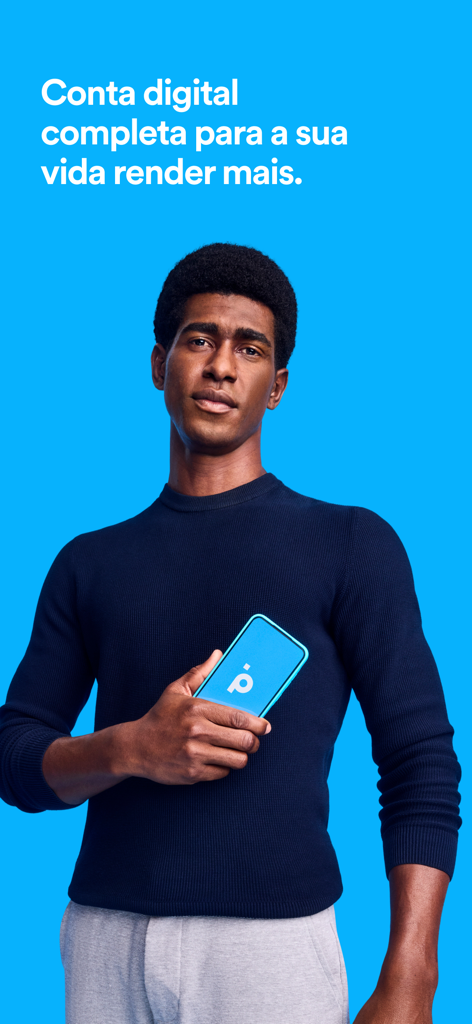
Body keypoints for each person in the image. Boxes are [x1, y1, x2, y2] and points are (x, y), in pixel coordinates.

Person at [0, 243, 461, 1024]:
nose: (221, 365)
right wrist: (128, 749)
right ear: (159, 364)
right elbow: (15, 755)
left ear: (275, 388)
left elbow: (419, 762)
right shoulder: (88, 562)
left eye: (250, 348)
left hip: (272, 951)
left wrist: (413, 977)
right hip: (103, 942)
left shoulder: (351, 543)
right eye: (199, 339)